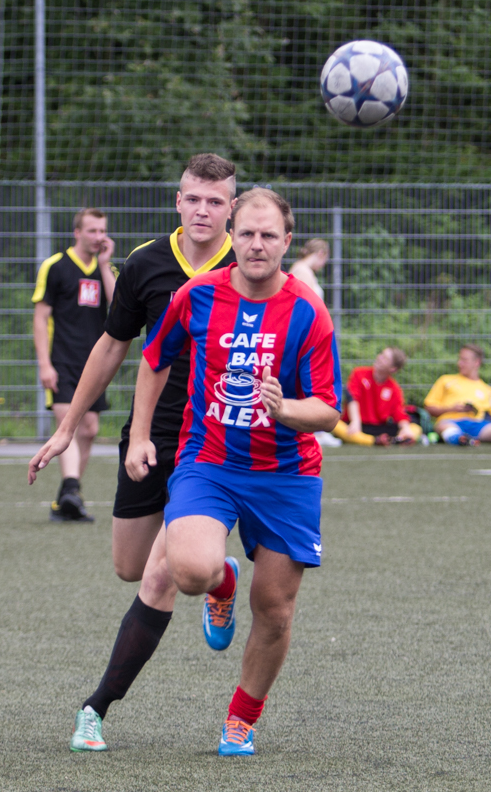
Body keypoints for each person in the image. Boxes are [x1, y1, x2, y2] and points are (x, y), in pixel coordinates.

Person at [27, 153, 236, 753]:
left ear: (232, 208)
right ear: (177, 201)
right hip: (150, 433)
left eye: (215, 201)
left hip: (214, 442)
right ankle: (221, 575)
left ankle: (95, 709)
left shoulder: (246, 267)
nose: (202, 210)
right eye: (193, 198)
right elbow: (111, 346)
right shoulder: (144, 263)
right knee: (129, 566)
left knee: (164, 575)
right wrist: (67, 429)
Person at [124, 187, 340, 758]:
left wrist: (285, 409)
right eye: (246, 233)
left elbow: (328, 410)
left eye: (268, 235)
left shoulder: (308, 312)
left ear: (287, 242)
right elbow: (154, 360)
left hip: (287, 474)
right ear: (232, 238)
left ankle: (241, 720)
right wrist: (140, 435)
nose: (256, 244)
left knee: (274, 610)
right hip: (210, 462)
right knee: (190, 570)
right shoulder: (196, 295)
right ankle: (222, 583)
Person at [30, 208, 116, 521]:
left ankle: (67, 498)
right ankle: (71, 488)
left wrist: (104, 266)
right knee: (68, 423)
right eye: (92, 231)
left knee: (89, 429)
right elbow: (40, 319)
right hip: (62, 361)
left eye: (102, 231)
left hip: (94, 364)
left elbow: (120, 306)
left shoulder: (106, 269)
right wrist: (45, 364)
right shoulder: (55, 266)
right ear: (77, 233)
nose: (98, 237)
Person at [423, 345, 491, 445]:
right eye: (459, 359)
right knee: (447, 428)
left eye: (464, 360)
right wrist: (451, 409)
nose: (459, 363)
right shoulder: (446, 380)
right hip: (450, 422)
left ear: (477, 362)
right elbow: (428, 408)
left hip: (478, 425)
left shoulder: (489, 390)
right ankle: (460, 439)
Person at [335, 346, 421, 445]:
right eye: (381, 354)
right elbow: (352, 398)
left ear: (393, 369)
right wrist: (355, 421)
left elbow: (399, 413)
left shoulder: (394, 388)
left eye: (385, 358)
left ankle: (398, 438)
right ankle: (374, 441)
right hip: (356, 424)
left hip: (379, 428)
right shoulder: (359, 373)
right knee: (336, 424)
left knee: (415, 428)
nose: (379, 358)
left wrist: (405, 428)